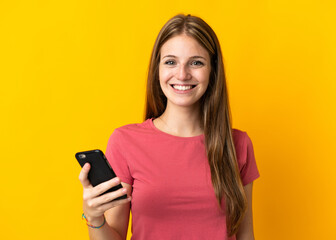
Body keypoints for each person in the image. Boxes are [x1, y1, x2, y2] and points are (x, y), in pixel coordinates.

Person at [79, 14, 260, 240]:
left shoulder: (238, 145)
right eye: (171, 62)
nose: (182, 74)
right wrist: (94, 218)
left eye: (196, 62)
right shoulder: (125, 142)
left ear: (213, 71)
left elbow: (245, 235)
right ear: (158, 69)